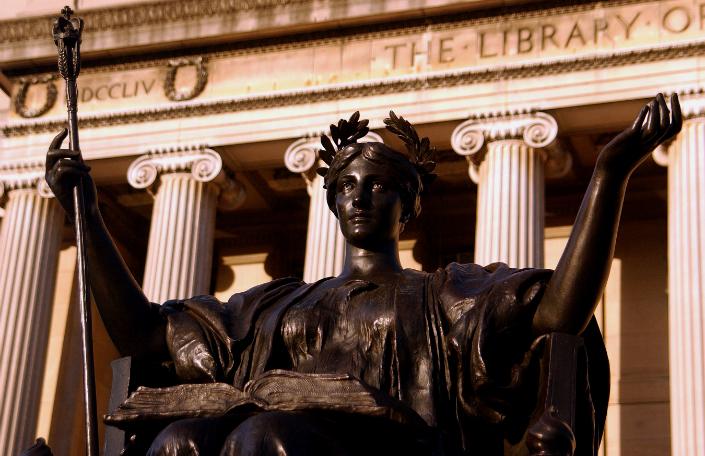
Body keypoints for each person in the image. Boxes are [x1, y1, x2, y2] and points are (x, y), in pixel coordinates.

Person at [45, 94, 681, 456]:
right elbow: (145, 337)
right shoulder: (275, 307)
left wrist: (609, 173)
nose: (360, 197)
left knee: (265, 436)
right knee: (181, 441)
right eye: (346, 186)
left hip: (404, 450)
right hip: (276, 438)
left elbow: (557, 312)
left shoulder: (445, 294)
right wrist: (89, 214)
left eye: (380, 186)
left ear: (409, 206)